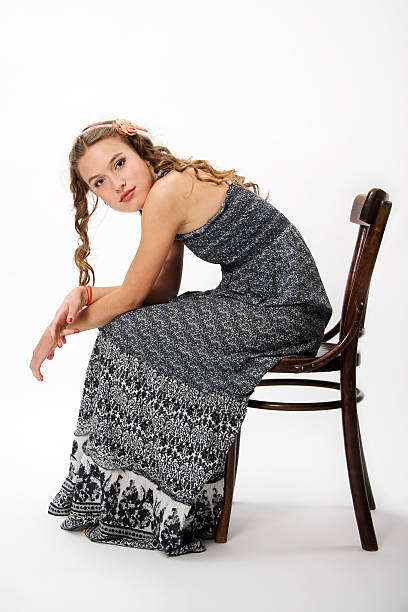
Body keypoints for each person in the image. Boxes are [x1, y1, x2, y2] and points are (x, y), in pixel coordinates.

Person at [30, 117, 333, 556]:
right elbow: (158, 292)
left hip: (284, 310)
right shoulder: (161, 195)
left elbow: (135, 296)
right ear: (92, 195)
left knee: (124, 333)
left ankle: (149, 493)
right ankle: (139, 489)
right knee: (131, 329)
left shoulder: (167, 194)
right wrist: (85, 292)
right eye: (99, 181)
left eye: (120, 164)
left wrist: (58, 331)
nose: (116, 183)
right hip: (261, 303)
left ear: (141, 152)